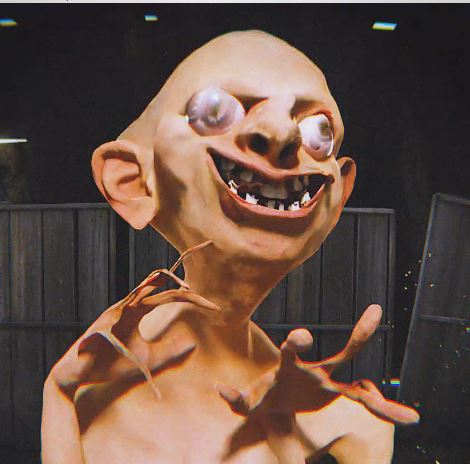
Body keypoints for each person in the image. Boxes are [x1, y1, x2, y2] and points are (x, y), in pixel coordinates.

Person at [42, 30, 418, 464]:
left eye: (319, 132)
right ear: (132, 181)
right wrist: (60, 395)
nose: (282, 133)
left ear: (336, 201)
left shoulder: (350, 423)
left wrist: (290, 435)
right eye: (215, 112)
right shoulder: (96, 385)